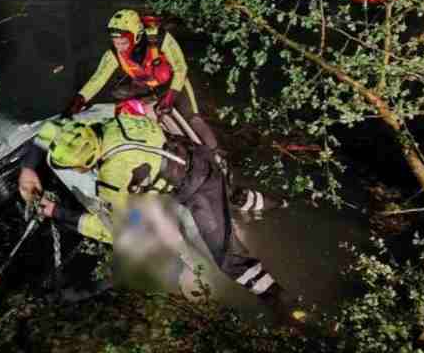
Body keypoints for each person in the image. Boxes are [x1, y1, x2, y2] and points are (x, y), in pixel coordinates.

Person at [17, 113, 303, 323]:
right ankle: (279, 201)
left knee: (227, 257)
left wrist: (58, 213)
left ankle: (278, 300)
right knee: (230, 196)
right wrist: (28, 169)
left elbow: (114, 233)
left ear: (86, 163)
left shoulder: (112, 176)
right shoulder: (103, 127)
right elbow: (48, 129)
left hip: (199, 186)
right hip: (189, 155)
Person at [64, 9, 220, 152]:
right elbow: (98, 78)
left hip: (174, 85)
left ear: (137, 35)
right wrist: (80, 98)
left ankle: (216, 155)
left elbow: (181, 68)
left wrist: (170, 97)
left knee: (193, 119)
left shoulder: (160, 38)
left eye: (123, 41)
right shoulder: (113, 54)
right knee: (137, 113)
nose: (119, 46)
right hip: (149, 90)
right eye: (115, 41)